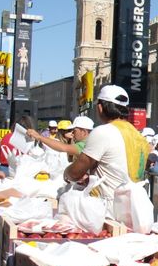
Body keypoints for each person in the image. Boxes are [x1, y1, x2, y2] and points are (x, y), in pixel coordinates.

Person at [63, 85, 150, 215]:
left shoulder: (103, 131)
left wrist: (66, 173)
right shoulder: (139, 136)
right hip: (134, 209)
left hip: (107, 209)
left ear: (100, 107)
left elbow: (75, 173)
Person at [27, 116, 94, 162]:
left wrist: (39, 137)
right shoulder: (88, 142)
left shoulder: (85, 144)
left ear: (84, 132)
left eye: (74, 130)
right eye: (69, 130)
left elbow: (64, 148)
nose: (72, 133)